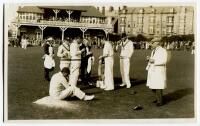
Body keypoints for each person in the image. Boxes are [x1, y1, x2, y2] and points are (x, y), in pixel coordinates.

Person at [146, 38, 168, 106]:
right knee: (153, 85)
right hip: (153, 70)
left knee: (158, 86)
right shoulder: (154, 50)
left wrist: (153, 61)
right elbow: (153, 59)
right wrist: (149, 60)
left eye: (152, 43)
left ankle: (160, 101)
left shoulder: (163, 51)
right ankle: (157, 98)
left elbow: (164, 61)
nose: (151, 44)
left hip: (159, 70)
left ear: (157, 43)